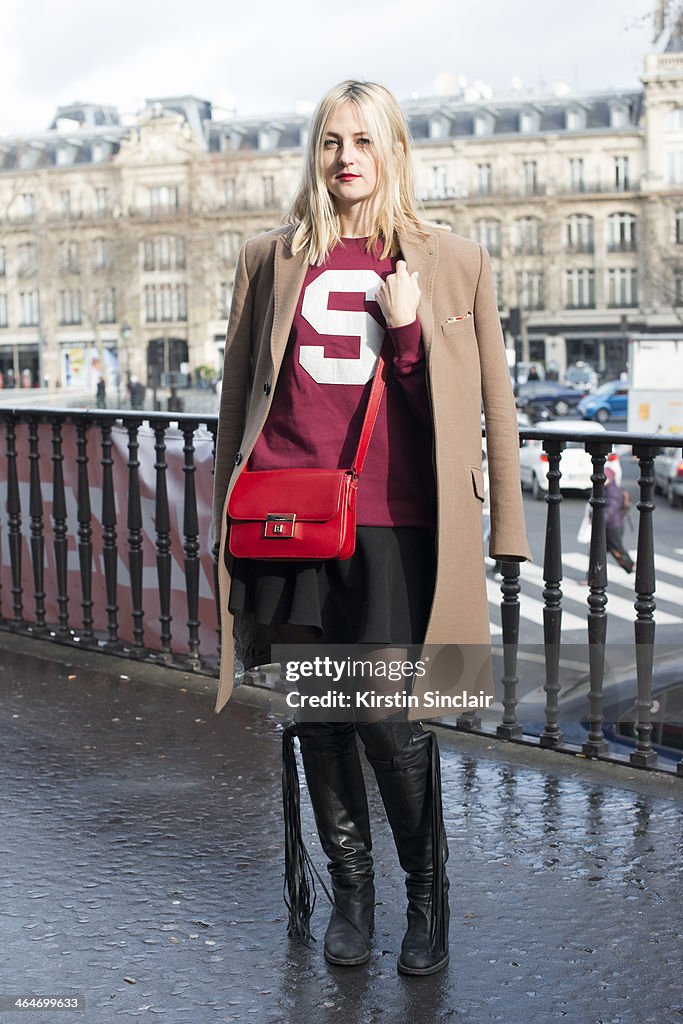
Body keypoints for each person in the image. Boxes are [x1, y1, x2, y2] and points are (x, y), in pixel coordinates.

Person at [211, 80, 531, 977]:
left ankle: (426, 901)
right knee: (318, 715)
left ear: (392, 149)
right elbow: (237, 394)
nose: (344, 156)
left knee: (393, 717)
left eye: (362, 139)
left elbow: (489, 402)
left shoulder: (450, 261)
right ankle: (351, 899)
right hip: (286, 515)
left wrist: (408, 331)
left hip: (398, 517)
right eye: (328, 141)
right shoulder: (268, 258)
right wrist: (223, 514)